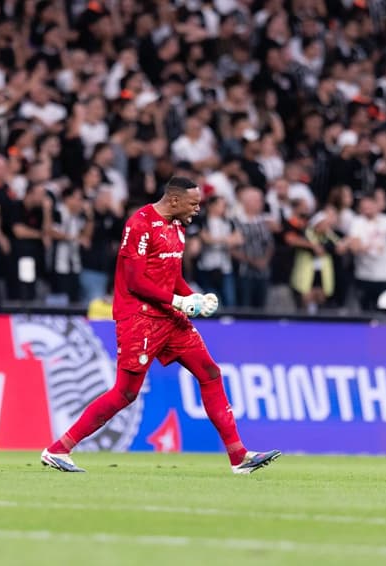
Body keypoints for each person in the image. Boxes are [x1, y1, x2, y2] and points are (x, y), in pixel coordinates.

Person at [41, 176, 281, 474]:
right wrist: (179, 302)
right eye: (193, 203)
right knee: (125, 393)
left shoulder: (178, 227)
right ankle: (58, 449)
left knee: (210, 372)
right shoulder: (139, 223)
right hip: (139, 319)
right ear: (174, 200)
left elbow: (171, 274)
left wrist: (193, 296)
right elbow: (135, 280)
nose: (197, 210)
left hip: (169, 317)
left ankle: (239, 456)